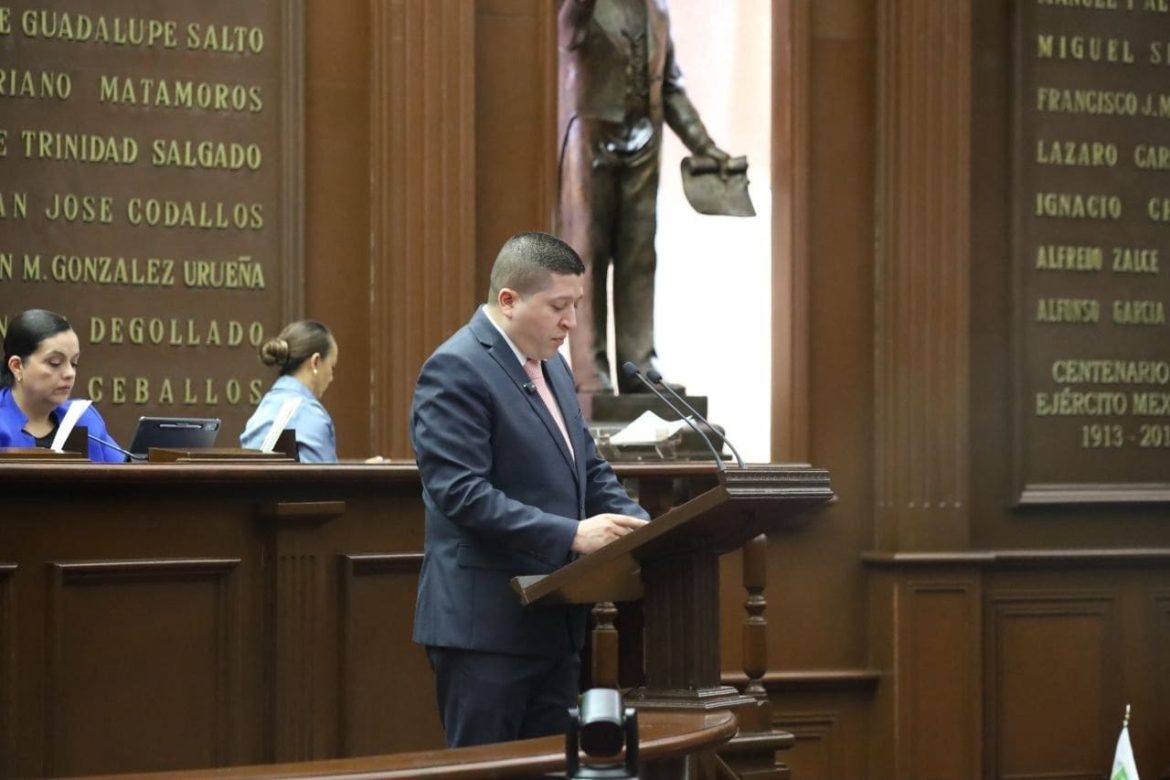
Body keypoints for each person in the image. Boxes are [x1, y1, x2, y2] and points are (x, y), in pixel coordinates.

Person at [410, 231, 650, 747]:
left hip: (554, 623)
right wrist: (572, 534)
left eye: (577, 305)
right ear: (509, 301)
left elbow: (588, 467)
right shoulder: (456, 368)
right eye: (559, 306)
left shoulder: (554, 367)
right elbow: (461, 493)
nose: (572, 322)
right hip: (485, 630)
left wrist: (647, 528)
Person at [557, 0, 730, 393]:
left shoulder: (657, 9)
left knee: (639, 257)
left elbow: (670, 88)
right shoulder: (582, 7)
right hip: (591, 140)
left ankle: (638, 367)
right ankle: (591, 372)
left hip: (644, 141)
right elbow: (568, 32)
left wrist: (704, 147)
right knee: (588, 257)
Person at [0, 308, 125, 462]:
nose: (69, 373)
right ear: (17, 366)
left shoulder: (83, 419)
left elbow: (127, 472)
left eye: (74, 363)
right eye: (55, 363)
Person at [240, 320, 339, 463]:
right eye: (332, 367)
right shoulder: (311, 414)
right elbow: (327, 476)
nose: (331, 377)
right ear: (316, 362)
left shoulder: (264, 408)